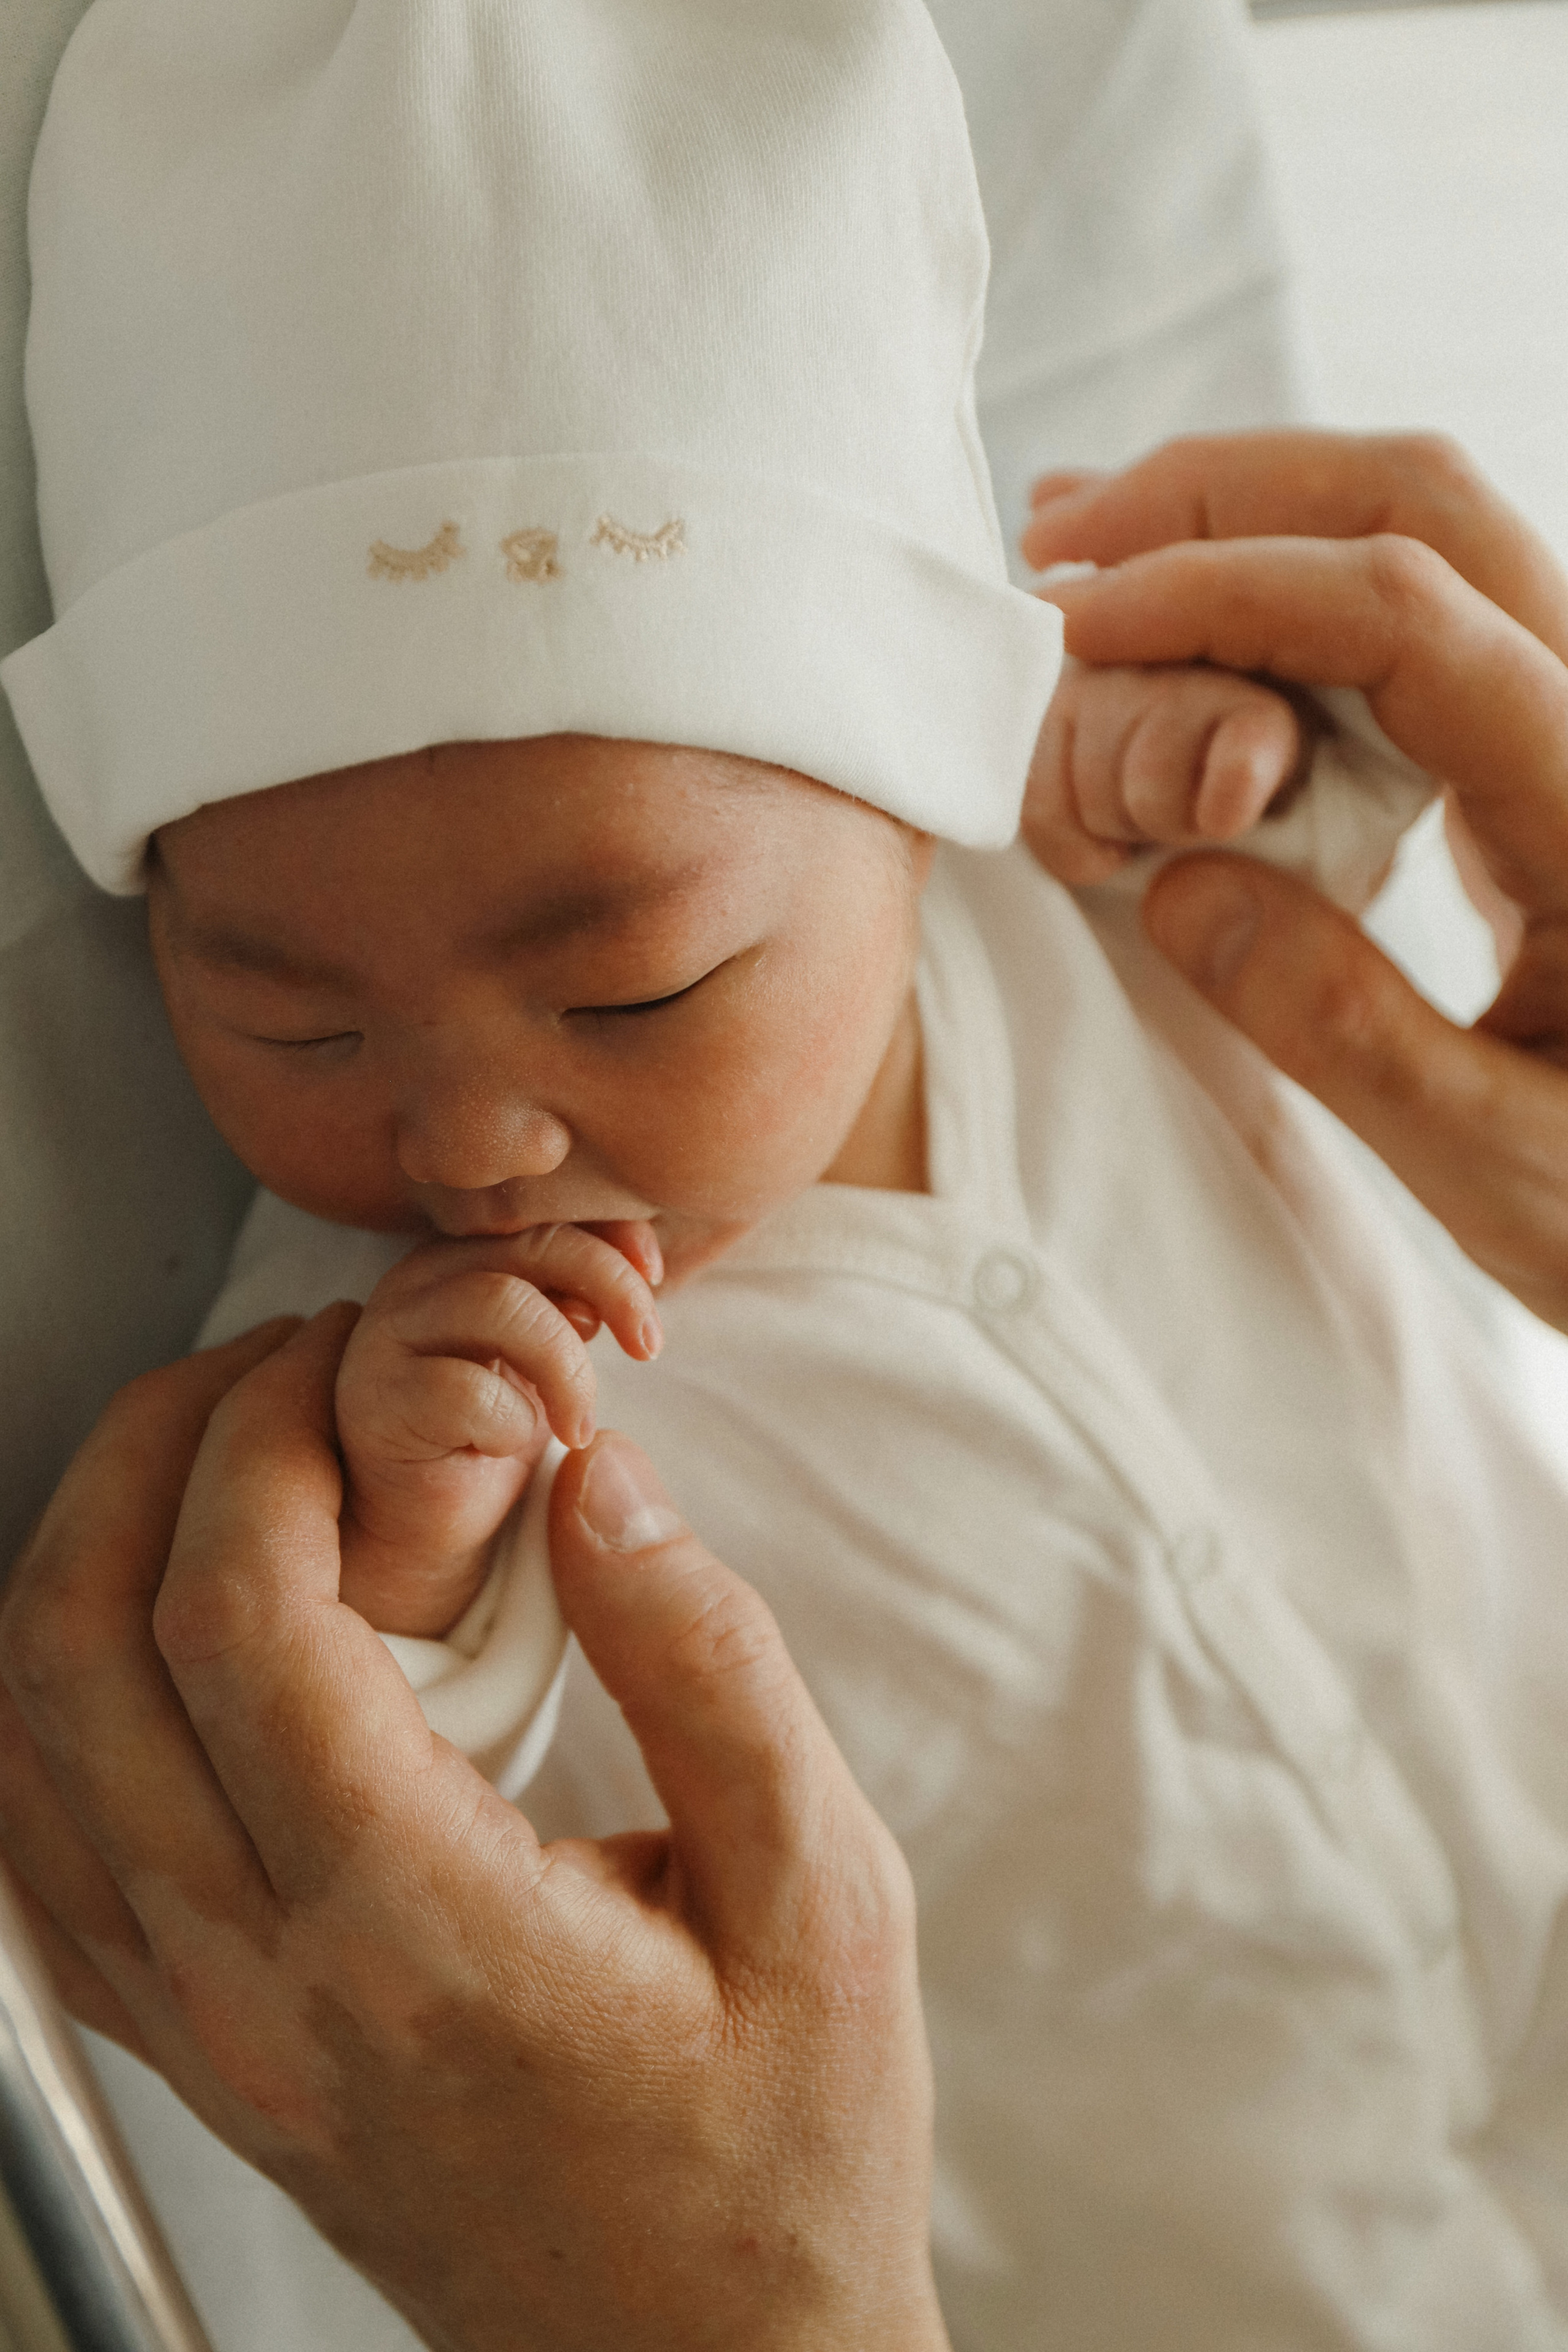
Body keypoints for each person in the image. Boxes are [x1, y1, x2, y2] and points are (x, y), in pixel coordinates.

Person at [6, 2, 1568, 2346]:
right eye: (292, 1018)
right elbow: (356, 1801)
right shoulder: (386, 1374)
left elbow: (1331, 849)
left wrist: (1249, 756)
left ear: (918, 780)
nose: (465, 1136)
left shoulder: (1077, 890)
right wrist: (419, 1573)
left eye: (632, 987)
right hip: (1163, 2213)